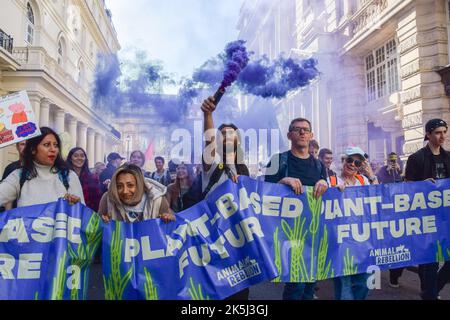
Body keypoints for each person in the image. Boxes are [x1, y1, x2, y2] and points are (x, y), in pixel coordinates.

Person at [264, 117, 328, 300]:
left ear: (311, 135)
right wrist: (282, 182)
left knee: (310, 286)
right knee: (296, 285)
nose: (302, 132)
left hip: (314, 235)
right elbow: (262, 196)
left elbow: (326, 198)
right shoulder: (277, 160)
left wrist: (325, 182)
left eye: (305, 129)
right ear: (289, 135)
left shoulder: (319, 165)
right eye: (297, 129)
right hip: (289, 236)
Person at [201, 96, 251, 300]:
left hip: (239, 237)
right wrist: (208, 114)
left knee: (240, 291)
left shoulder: (244, 169)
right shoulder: (211, 164)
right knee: (216, 289)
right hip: (214, 234)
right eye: (223, 133)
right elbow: (209, 139)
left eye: (232, 133)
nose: (227, 136)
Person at [405, 118, 450, 300]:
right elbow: (406, 187)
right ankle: (430, 294)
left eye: (444, 131)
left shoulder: (448, 157)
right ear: (428, 134)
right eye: (438, 132)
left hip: (446, 217)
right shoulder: (416, 158)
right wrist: (420, 185)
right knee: (429, 261)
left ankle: (431, 291)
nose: (443, 136)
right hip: (425, 219)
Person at [328, 147, 378, 300]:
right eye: (349, 160)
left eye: (357, 162)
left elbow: (379, 196)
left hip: (364, 242)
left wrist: (371, 175)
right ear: (343, 160)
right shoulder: (331, 181)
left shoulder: (364, 180)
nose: (352, 164)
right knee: (344, 289)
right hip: (341, 243)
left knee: (364, 284)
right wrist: (332, 192)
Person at [0, 127, 84, 208]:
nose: (53, 149)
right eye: (47, 145)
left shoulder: (68, 176)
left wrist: (77, 206)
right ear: (33, 150)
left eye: (55, 145)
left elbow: (83, 212)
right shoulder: (19, 176)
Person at [98, 163, 174, 223]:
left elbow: (172, 226)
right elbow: (97, 227)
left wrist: (169, 219)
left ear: (140, 184)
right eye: (119, 186)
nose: (125, 191)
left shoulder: (157, 200)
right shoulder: (108, 199)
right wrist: (103, 221)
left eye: (130, 185)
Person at [66, 147, 102, 212]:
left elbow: (97, 200)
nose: (79, 158)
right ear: (70, 159)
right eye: (75, 156)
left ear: (85, 159)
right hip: (68, 213)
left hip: (87, 214)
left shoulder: (93, 178)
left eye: (82, 156)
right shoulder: (64, 177)